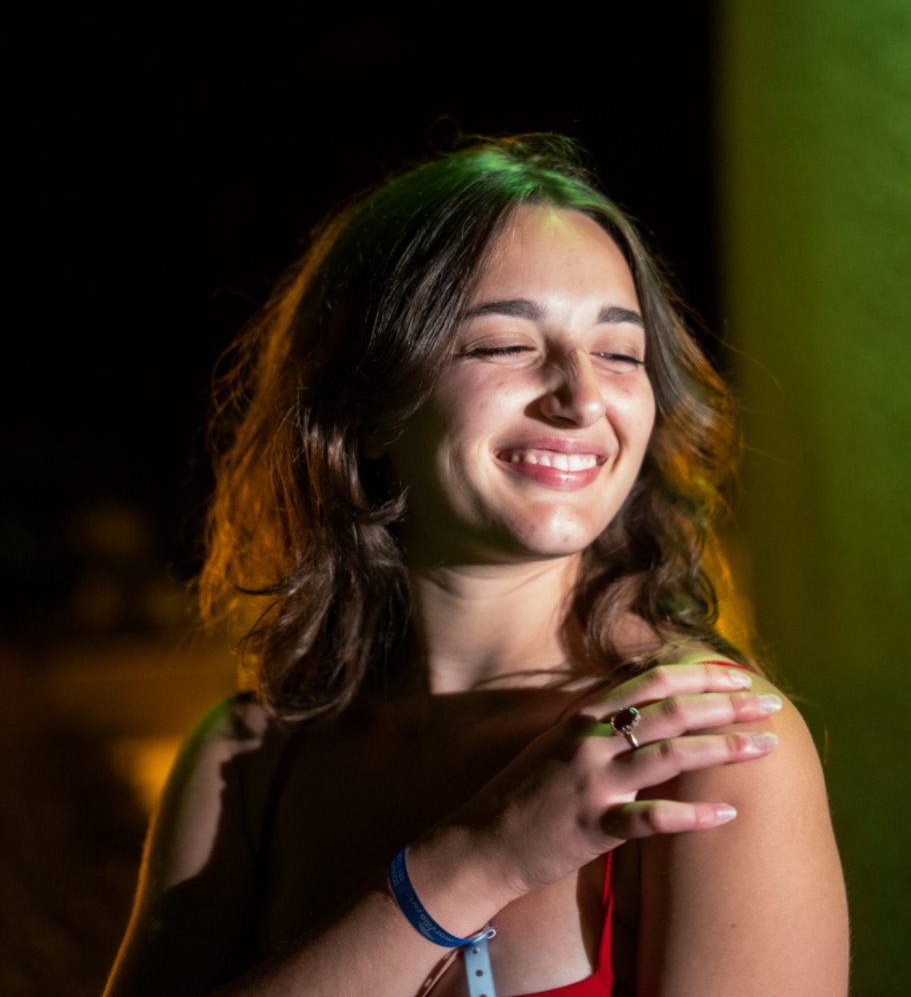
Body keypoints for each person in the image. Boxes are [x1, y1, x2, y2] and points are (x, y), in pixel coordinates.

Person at [104, 134, 849, 996]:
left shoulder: (704, 747)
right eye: (502, 345)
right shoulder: (253, 765)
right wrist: (474, 861)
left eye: (619, 353)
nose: (579, 398)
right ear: (369, 407)